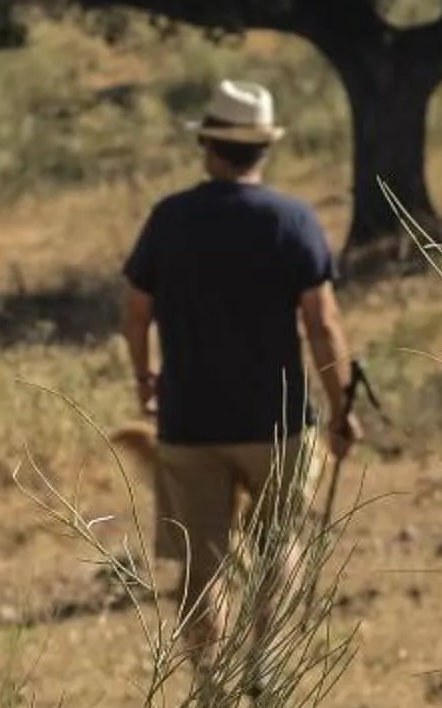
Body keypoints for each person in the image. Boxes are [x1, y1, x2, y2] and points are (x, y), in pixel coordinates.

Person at [120, 80, 355, 648]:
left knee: (202, 568)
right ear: (265, 148)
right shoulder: (292, 220)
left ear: (206, 142)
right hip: (277, 422)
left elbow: (134, 312)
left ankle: (207, 694)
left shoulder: (169, 219)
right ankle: (264, 663)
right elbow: (322, 325)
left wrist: (144, 377)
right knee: (282, 544)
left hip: (190, 422)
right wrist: (342, 406)